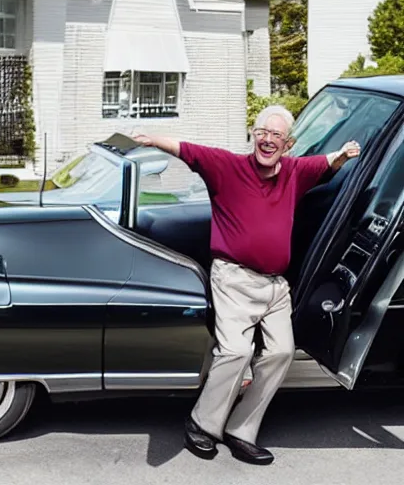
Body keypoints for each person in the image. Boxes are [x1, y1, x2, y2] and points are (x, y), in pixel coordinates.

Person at [132, 105, 360, 466]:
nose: (267, 140)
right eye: (261, 132)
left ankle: (242, 430)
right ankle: (202, 424)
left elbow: (325, 162)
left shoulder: (296, 172)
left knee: (282, 352)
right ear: (253, 135)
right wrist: (150, 140)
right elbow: (187, 150)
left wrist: (345, 155)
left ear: (288, 144)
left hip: (275, 287)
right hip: (234, 278)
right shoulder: (228, 167)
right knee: (235, 352)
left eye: (276, 136)